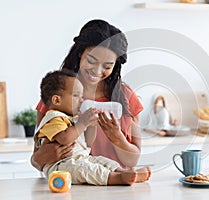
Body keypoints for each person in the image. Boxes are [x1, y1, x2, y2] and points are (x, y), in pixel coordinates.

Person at [31, 19, 151, 178]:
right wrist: (43, 156)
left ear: (116, 65)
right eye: (91, 61)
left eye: (107, 66)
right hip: (69, 185)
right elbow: (36, 159)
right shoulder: (58, 95)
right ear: (80, 53)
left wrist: (117, 137)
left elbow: (132, 160)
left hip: (118, 187)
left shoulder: (126, 97)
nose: (97, 70)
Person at [35, 70, 148, 185]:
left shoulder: (72, 118)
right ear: (57, 100)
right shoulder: (54, 118)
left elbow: (88, 142)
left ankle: (123, 172)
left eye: (82, 96)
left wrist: (91, 125)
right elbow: (64, 139)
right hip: (61, 166)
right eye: (75, 95)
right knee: (85, 169)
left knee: (100, 161)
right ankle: (117, 179)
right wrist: (82, 123)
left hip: (80, 159)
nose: (82, 100)